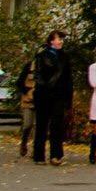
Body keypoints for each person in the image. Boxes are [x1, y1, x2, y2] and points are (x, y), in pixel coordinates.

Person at [31, 31, 74, 165]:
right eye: (58, 39)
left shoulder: (65, 57)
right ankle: (39, 155)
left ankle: (56, 155)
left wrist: (68, 98)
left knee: (57, 125)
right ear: (51, 41)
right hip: (44, 95)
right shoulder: (41, 56)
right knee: (42, 125)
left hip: (59, 95)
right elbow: (38, 76)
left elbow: (68, 78)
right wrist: (45, 88)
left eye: (61, 39)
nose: (61, 41)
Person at [12, 59, 38, 156]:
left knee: (37, 126)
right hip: (28, 101)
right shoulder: (29, 66)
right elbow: (19, 83)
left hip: (40, 100)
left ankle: (35, 149)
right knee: (27, 124)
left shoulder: (48, 67)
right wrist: (27, 91)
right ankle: (24, 142)